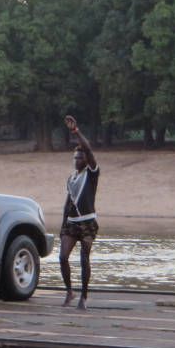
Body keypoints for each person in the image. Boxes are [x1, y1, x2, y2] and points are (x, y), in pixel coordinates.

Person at [59, 115, 100, 310]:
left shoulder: (91, 173)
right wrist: (62, 226)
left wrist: (75, 131)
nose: (77, 160)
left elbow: (89, 149)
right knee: (62, 257)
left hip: (88, 222)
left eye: (80, 157)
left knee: (84, 257)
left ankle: (84, 296)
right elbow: (67, 203)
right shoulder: (72, 178)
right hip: (72, 222)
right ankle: (69, 291)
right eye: (75, 158)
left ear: (86, 160)